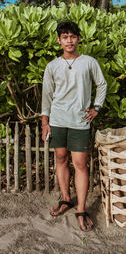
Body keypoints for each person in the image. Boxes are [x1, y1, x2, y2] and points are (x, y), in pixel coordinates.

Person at [41, 21, 107, 231]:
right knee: (60, 159)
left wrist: (96, 107)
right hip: (58, 120)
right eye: (65, 36)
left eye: (72, 36)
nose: (69, 40)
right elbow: (47, 95)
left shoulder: (89, 62)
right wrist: (45, 121)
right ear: (59, 40)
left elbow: (102, 84)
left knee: (80, 164)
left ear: (78, 39)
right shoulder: (52, 66)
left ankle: (81, 208)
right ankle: (66, 199)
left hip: (80, 121)